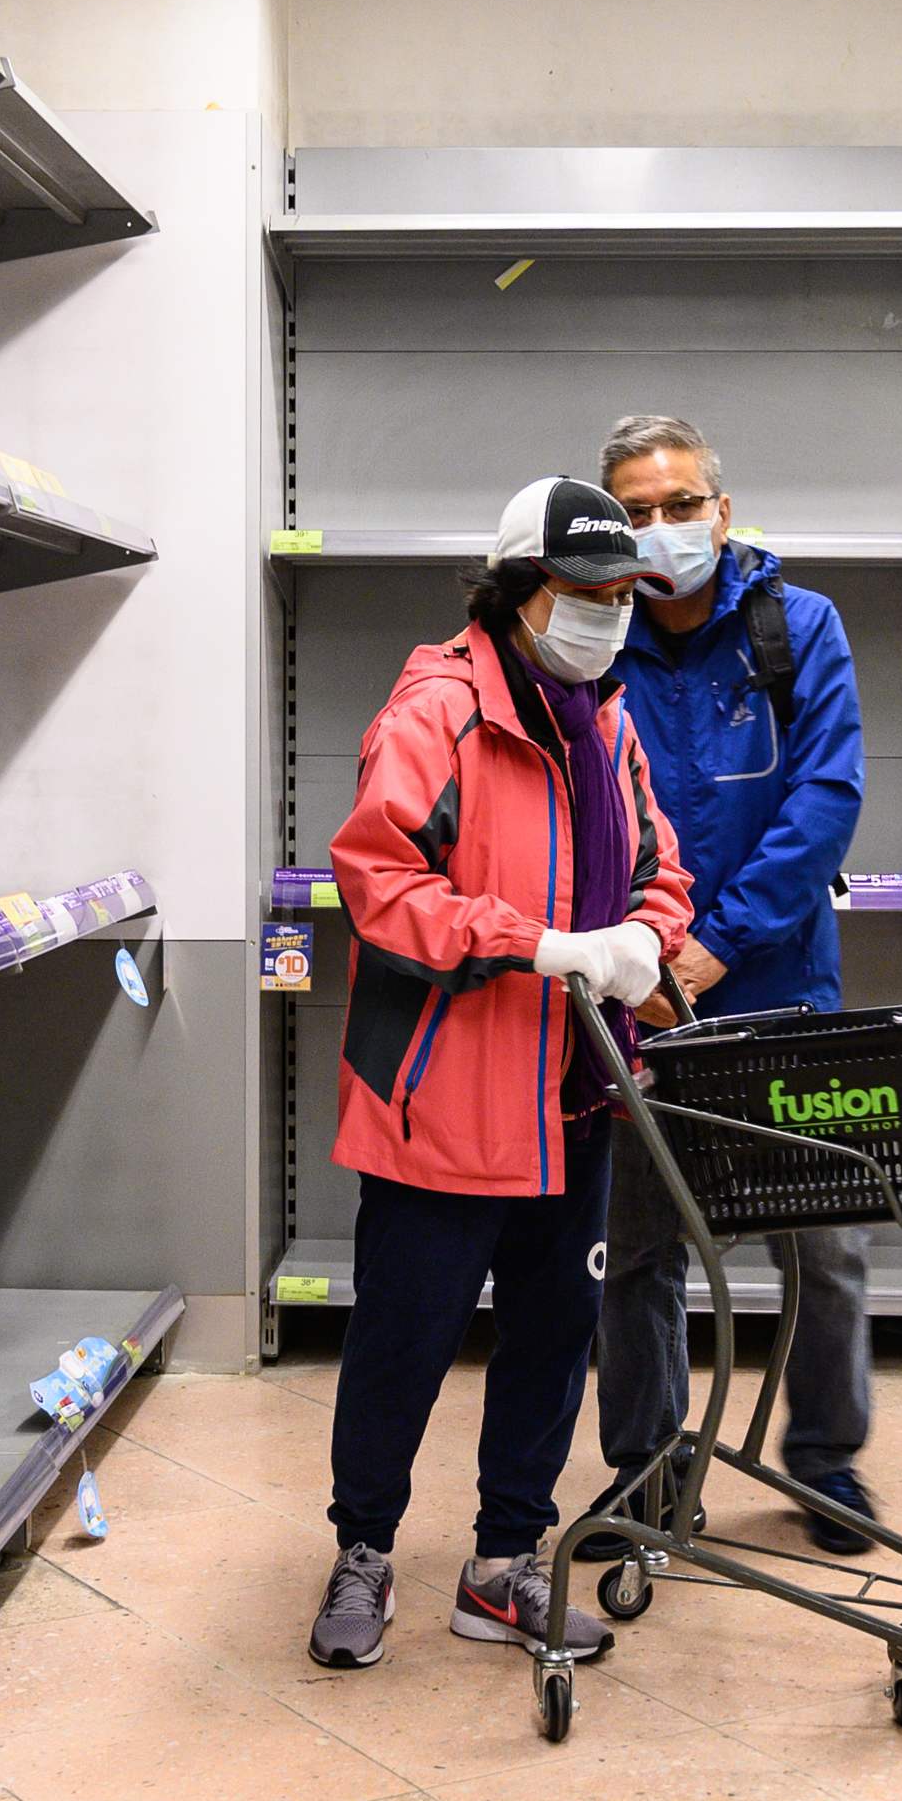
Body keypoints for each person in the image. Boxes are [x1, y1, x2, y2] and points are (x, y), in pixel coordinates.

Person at [309, 476, 694, 1673]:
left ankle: (502, 1567)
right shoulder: (438, 711)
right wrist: (532, 942)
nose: (605, 616)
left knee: (550, 1337)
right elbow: (380, 884)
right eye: (582, 595)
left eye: (621, 594)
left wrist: (644, 939)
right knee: (402, 1344)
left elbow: (658, 870)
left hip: (574, 1101)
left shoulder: (608, 722)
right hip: (441, 1102)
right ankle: (363, 1552)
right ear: (520, 594)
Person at [586, 413, 881, 1554]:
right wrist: (644, 962)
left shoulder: (794, 627)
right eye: (633, 512)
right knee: (639, 1245)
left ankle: (824, 1465)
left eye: (677, 505)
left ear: (720, 508)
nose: (659, 529)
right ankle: (649, 1473)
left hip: (776, 984)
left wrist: (716, 943)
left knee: (824, 1247)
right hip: (638, 995)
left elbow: (826, 799)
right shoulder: (591, 636)